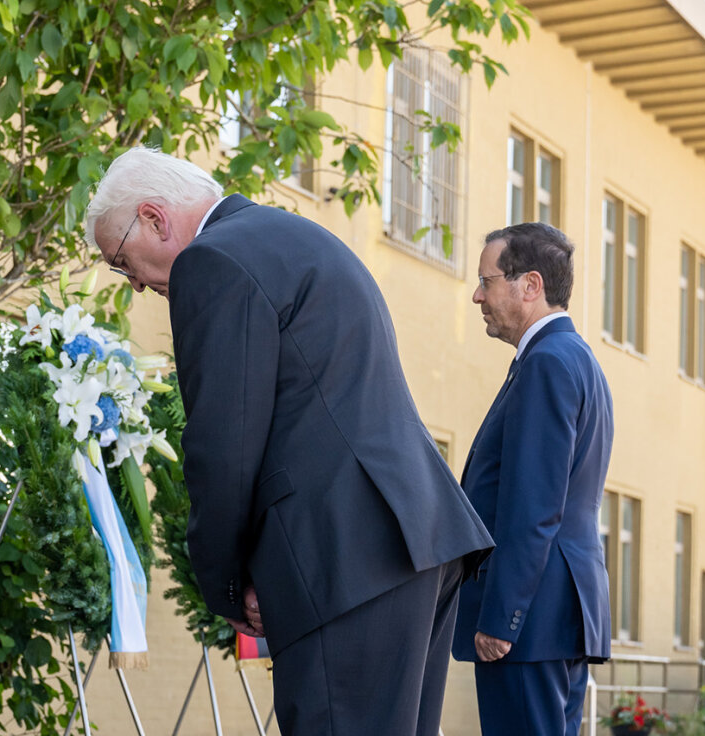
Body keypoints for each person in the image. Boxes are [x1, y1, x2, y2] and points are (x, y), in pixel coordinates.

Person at [85, 146, 493, 736]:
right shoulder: (293, 236)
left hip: (343, 556)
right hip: (412, 541)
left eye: (122, 261)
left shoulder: (211, 260)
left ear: (154, 217)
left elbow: (224, 444)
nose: (136, 284)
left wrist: (227, 582)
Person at [452, 223, 613, 736]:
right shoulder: (577, 360)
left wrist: (503, 618)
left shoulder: (546, 363)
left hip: (531, 623)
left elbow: (534, 505)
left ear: (531, 284)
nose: (478, 294)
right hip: (560, 617)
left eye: (487, 280)